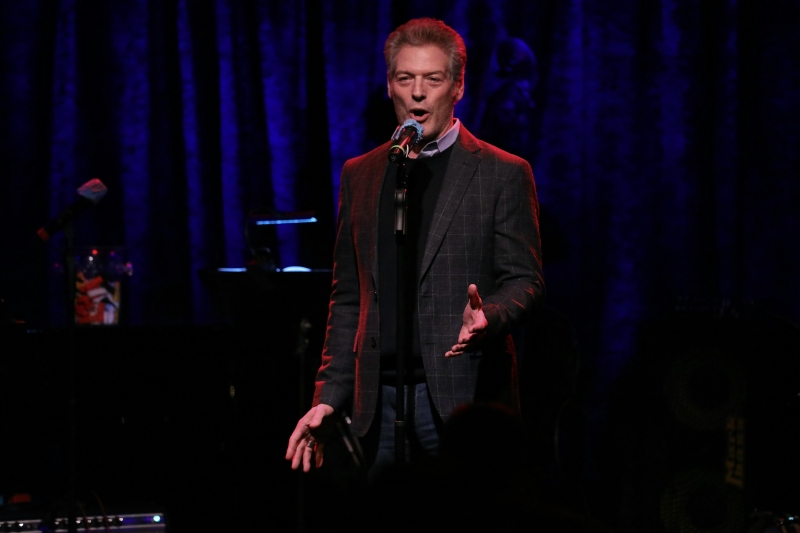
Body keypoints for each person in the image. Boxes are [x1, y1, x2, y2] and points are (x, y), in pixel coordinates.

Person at [286, 17, 544, 476]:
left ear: (458, 87)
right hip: (374, 406)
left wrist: (490, 316)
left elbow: (524, 279)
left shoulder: (503, 172)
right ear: (391, 86)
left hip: (459, 399)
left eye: (433, 79)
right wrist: (327, 399)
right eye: (406, 79)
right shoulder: (361, 175)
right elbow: (348, 299)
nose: (418, 93)